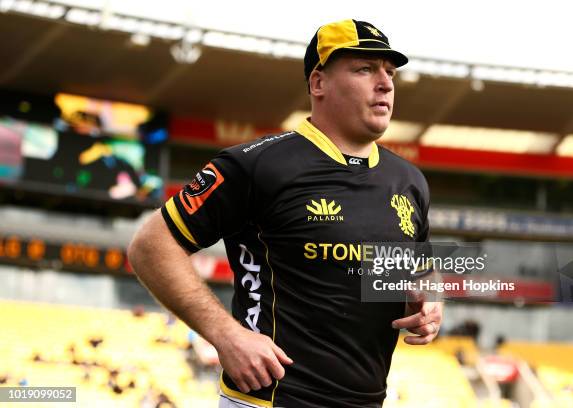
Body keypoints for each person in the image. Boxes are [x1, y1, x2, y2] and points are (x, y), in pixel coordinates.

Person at [128, 18, 443, 408]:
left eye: (390, 72)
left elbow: (417, 269)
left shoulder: (409, 180)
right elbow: (150, 245)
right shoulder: (256, 165)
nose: (385, 83)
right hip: (271, 400)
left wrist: (428, 298)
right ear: (318, 83)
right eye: (365, 69)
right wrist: (225, 334)